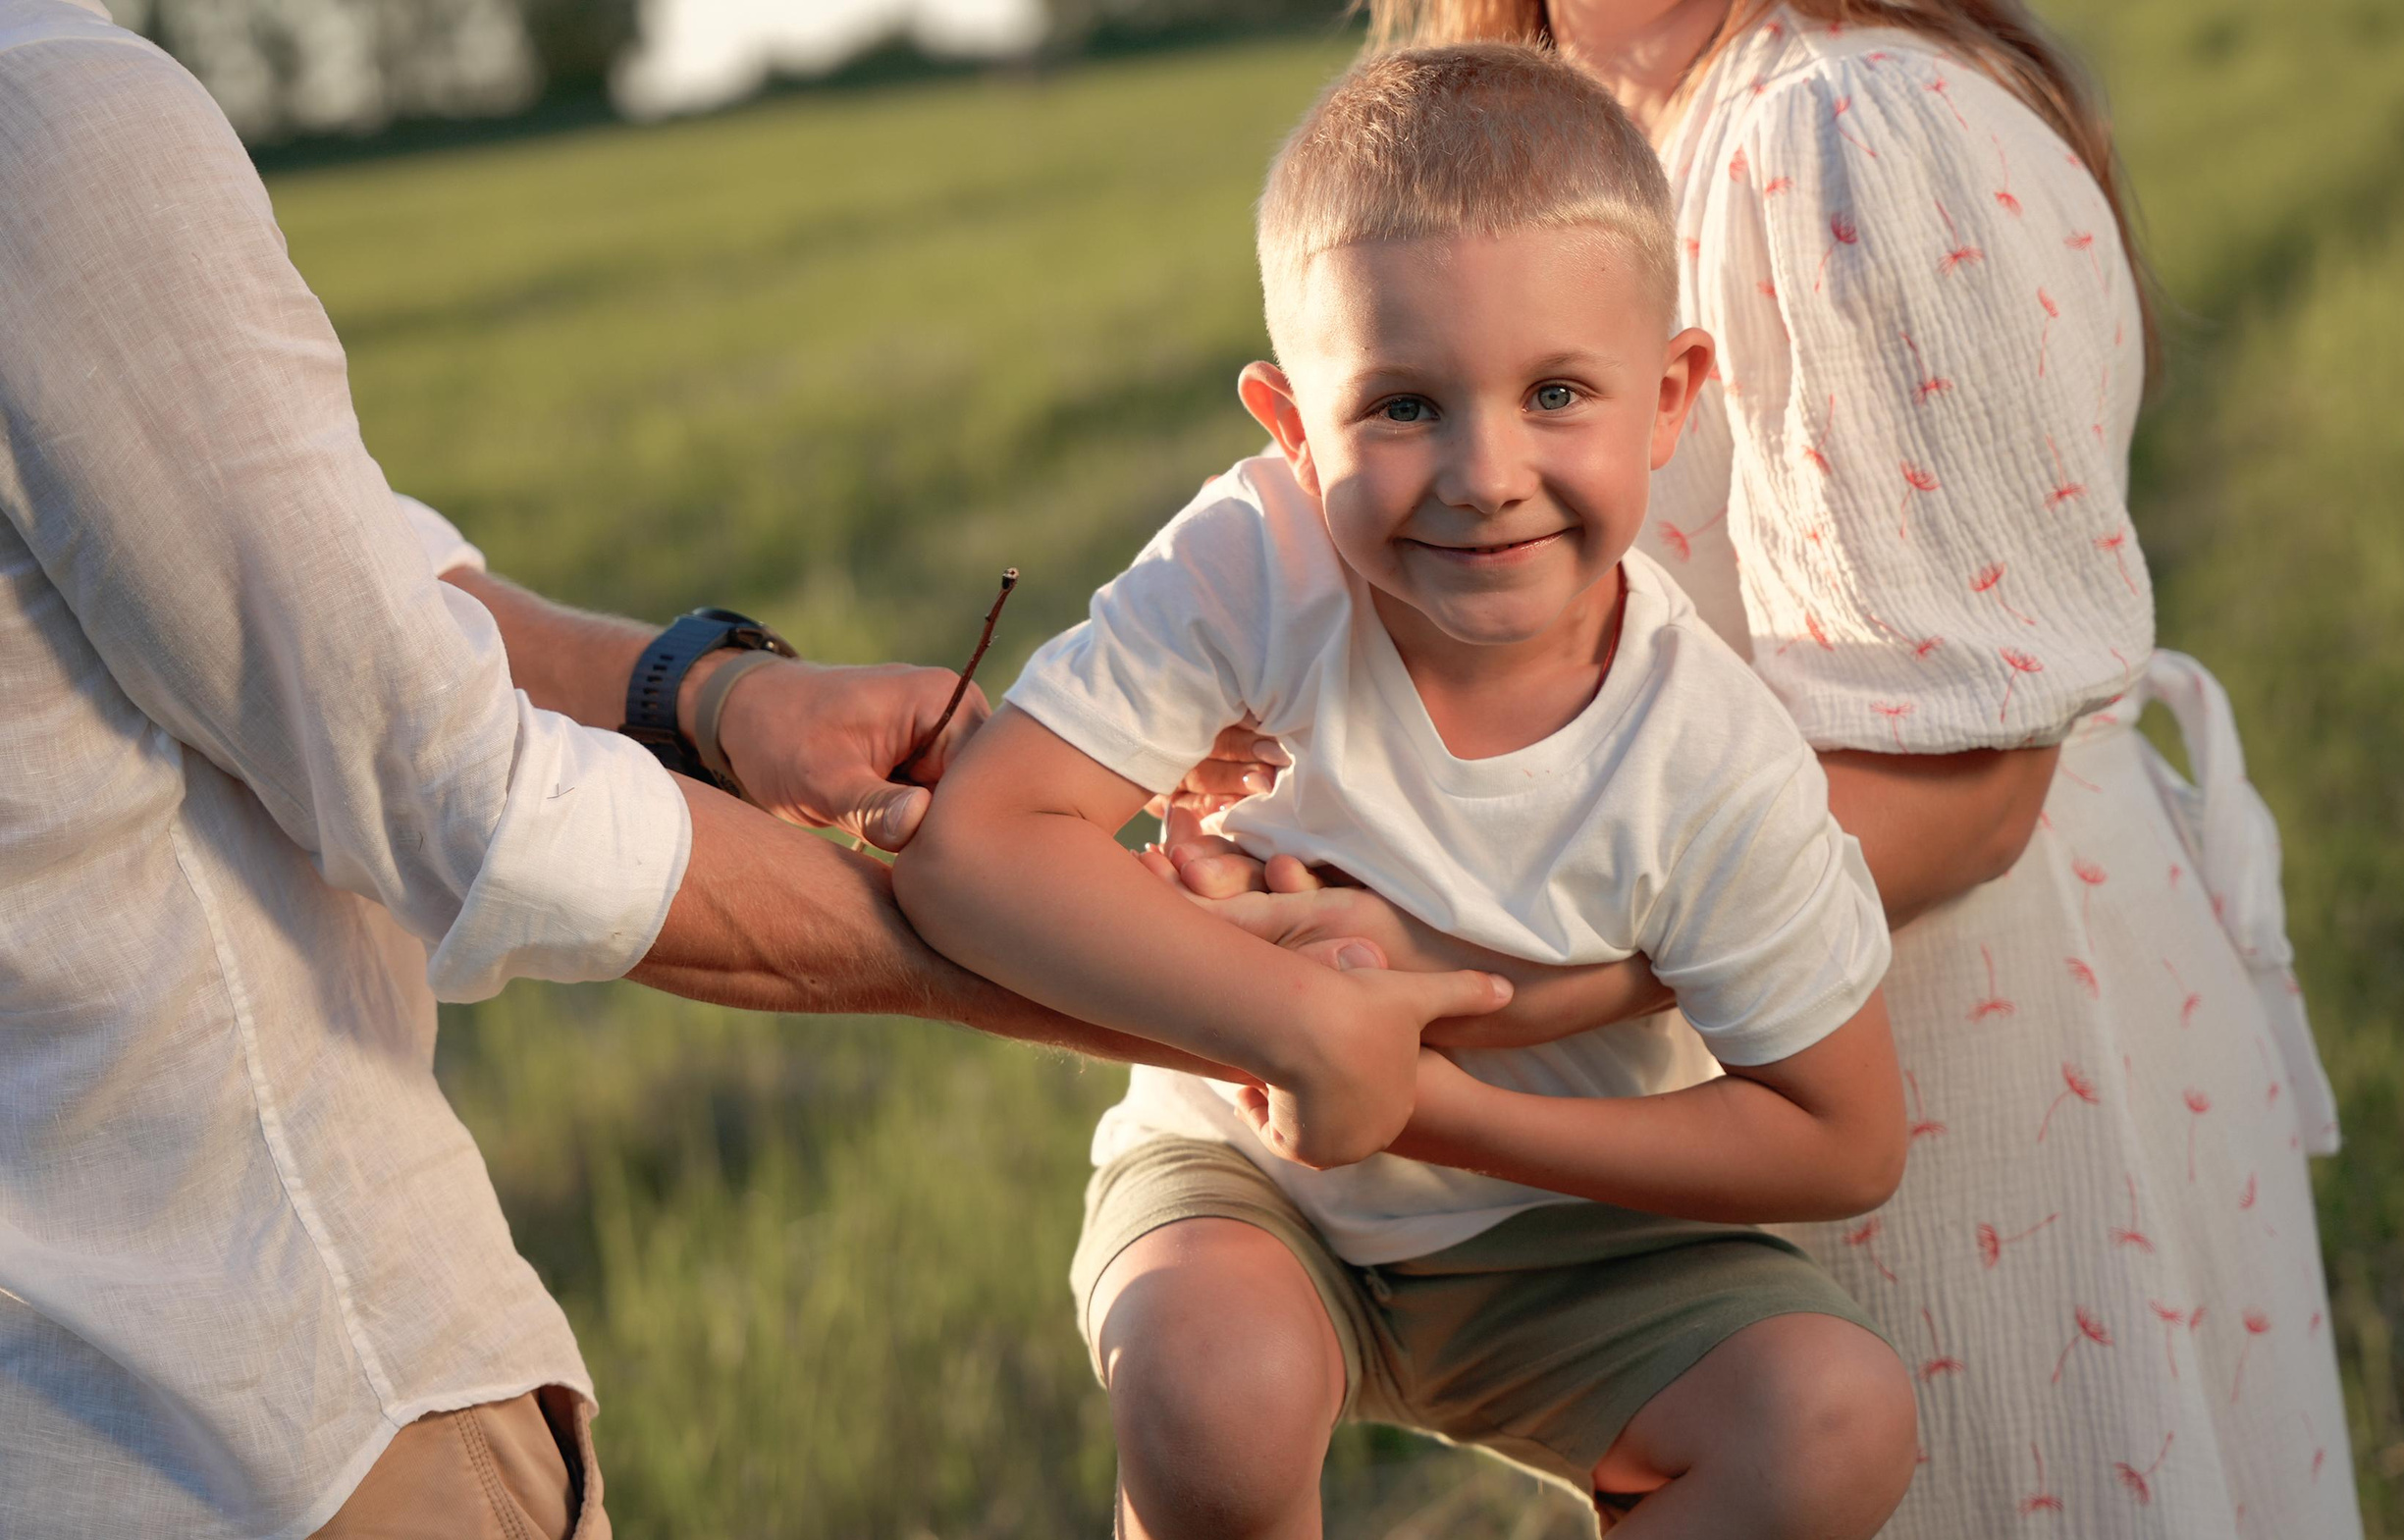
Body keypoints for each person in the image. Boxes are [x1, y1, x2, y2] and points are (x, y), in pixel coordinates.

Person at [0, 4, 1480, 1536]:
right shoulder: (48, 118)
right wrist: (1118, 952)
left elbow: (341, 593)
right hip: (247, 1433)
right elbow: (460, 794)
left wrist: (703, 691)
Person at [1177, 2, 2362, 1535]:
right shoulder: (1556, 130)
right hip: (1730, 1076)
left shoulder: (1836, 125)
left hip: (1965, 1060)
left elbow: (1972, 788)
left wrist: (1444, 981)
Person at [895, 45, 1920, 1539]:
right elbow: (976, 844)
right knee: (1212, 1396)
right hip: (1246, 1182)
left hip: (1572, 1237)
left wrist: (1427, 1105)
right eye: (1401, 407)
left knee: (1837, 1417)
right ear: (1291, 425)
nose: (1484, 472)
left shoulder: (1706, 754)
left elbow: (1841, 1136)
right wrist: (1288, 1027)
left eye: (1558, 390)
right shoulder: (1256, 564)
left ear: (1670, 397)